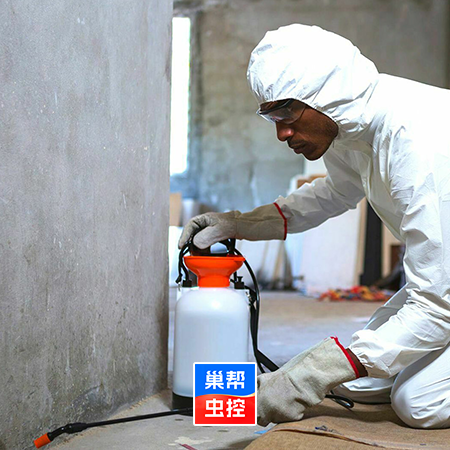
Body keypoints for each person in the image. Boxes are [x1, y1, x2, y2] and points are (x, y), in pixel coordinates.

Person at [178, 24, 450, 429]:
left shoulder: (419, 143)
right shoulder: (350, 125)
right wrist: (240, 223)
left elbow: (437, 306)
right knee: (361, 381)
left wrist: (306, 376)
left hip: (442, 295)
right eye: (271, 115)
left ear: (327, 93)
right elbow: (335, 192)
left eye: (287, 113)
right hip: (443, 285)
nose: (282, 133)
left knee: (418, 401)